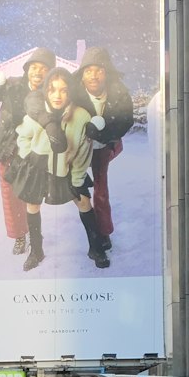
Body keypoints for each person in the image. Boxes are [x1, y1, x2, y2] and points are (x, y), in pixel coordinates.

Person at [11, 66, 103, 272]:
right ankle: (36, 250)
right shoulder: (38, 113)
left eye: (63, 90)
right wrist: (30, 155)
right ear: (46, 91)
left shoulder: (81, 116)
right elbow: (22, 136)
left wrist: (77, 177)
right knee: (32, 205)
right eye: (52, 89)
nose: (57, 95)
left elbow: (83, 151)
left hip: (67, 168)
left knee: (84, 202)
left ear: (70, 91)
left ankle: (95, 248)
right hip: (38, 168)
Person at [0, 48, 56, 257]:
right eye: (34, 67)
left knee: (31, 194)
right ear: (27, 69)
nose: (38, 72)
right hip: (7, 149)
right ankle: (19, 236)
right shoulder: (12, 85)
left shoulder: (51, 93)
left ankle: (33, 233)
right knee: (9, 195)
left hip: (33, 151)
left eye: (44, 68)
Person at [72, 46, 134, 244]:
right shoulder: (73, 93)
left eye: (99, 70)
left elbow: (125, 121)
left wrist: (104, 134)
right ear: (82, 75)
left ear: (107, 74)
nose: (94, 75)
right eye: (88, 70)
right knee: (77, 188)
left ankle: (104, 232)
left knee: (101, 190)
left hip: (102, 148)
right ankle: (89, 225)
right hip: (77, 149)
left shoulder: (118, 93)